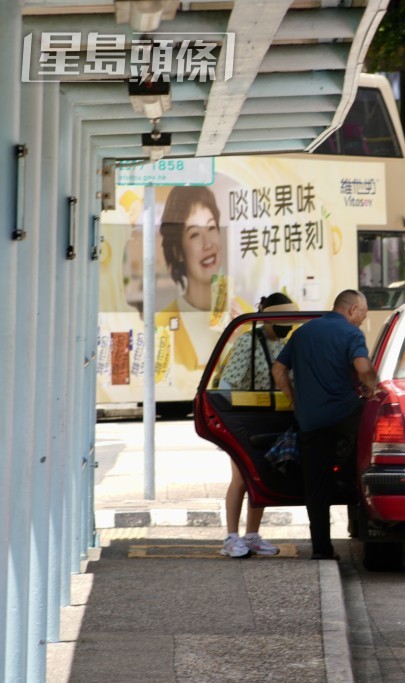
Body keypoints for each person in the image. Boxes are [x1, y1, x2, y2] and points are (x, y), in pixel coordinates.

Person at [271, 290, 382, 559]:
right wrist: (374, 389)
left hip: (310, 422)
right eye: (362, 316)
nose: (361, 322)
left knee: (316, 487)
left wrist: (295, 400)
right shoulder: (350, 333)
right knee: (366, 469)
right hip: (345, 417)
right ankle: (365, 522)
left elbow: (277, 370)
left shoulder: (302, 333)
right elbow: (363, 367)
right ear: (353, 309)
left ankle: (322, 549)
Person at [218, 292, 298, 558]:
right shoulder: (248, 341)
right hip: (245, 418)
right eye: (283, 320)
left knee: (261, 475)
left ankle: (252, 536)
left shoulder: (287, 343)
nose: (287, 326)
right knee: (241, 477)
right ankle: (231, 538)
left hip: (273, 417)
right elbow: (227, 382)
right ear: (268, 318)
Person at [155, 186, 252, 370]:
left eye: (211, 228)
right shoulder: (162, 324)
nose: (208, 244)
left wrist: (235, 339)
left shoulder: (248, 319)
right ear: (178, 251)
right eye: (194, 234)